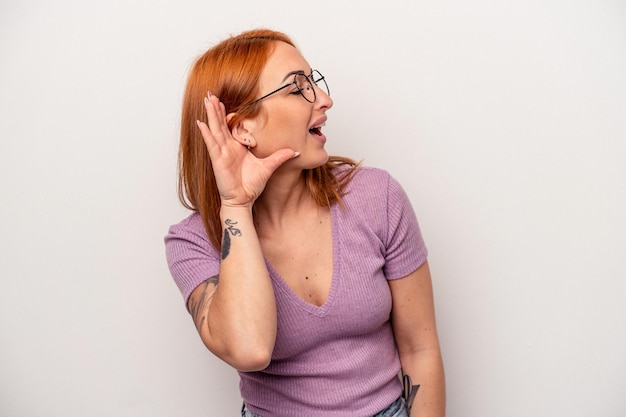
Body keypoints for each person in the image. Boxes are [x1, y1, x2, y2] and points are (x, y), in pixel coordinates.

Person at [164, 29, 445, 417]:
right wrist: (236, 204)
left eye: (314, 82)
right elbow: (250, 349)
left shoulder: (377, 197)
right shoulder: (193, 243)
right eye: (298, 89)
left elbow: (421, 350)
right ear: (243, 127)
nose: (325, 100)